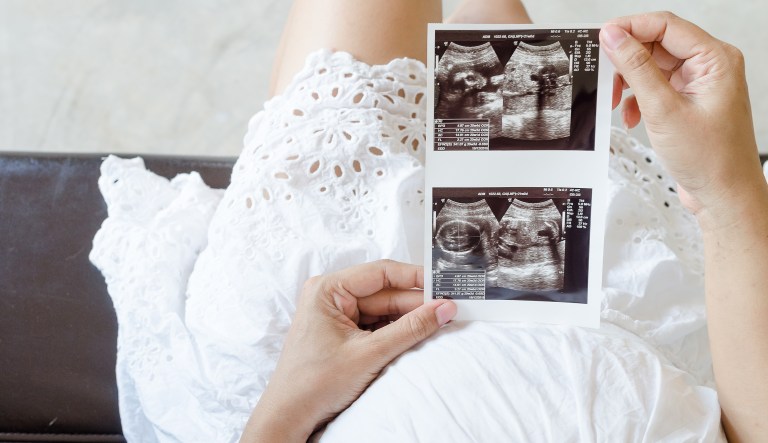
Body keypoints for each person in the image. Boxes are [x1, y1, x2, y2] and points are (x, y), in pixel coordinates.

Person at [239, 2, 768, 442]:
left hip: (350, 321)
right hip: (629, 303)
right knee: (496, 28)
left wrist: (288, 405)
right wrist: (726, 196)